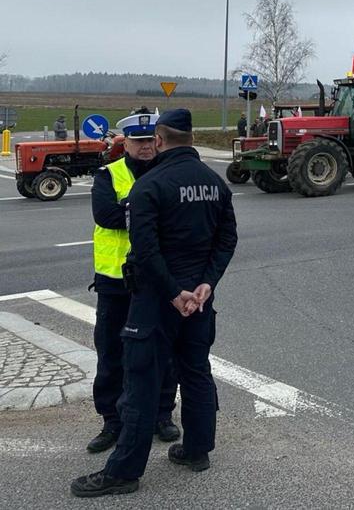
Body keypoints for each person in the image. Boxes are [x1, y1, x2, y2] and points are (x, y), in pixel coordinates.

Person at [71, 108, 238, 498]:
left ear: (160, 140)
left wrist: (171, 292)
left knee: (142, 379)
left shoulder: (151, 186)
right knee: (195, 370)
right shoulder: (215, 183)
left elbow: (145, 251)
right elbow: (226, 240)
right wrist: (206, 284)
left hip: (157, 301)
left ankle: (124, 470)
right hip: (198, 301)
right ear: (192, 139)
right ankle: (196, 451)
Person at [86, 113, 179, 455]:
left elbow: (175, 217)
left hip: (156, 282)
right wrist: (147, 210)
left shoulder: (168, 172)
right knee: (111, 354)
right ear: (124, 143)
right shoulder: (108, 174)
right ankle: (112, 420)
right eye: (136, 141)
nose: (144, 147)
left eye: (149, 140)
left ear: (158, 140)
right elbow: (106, 216)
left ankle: (162, 415)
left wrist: (131, 209)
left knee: (162, 353)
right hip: (114, 283)